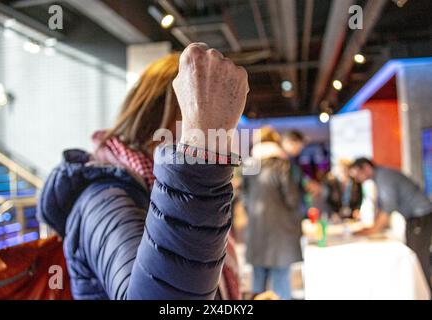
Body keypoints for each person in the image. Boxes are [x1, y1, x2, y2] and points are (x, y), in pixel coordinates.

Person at [37, 43, 249, 299]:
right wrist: (200, 151)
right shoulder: (103, 198)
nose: (223, 130)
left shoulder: (146, 186)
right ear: (159, 117)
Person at [349, 158, 432, 287]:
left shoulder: (384, 177)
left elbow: (388, 207)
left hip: (421, 217)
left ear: (366, 167)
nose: (358, 179)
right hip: (413, 218)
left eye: (358, 174)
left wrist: (371, 230)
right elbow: (382, 207)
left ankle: (425, 293)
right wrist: (371, 228)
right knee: (412, 258)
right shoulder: (380, 177)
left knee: (418, 260)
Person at [242, 127, 303, 300]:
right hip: (280, 235)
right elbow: (292, 199)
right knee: (281, 286)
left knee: (257, 286)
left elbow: (245, 199)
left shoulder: (250, 165)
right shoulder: (282, 165)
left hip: (256, 233)